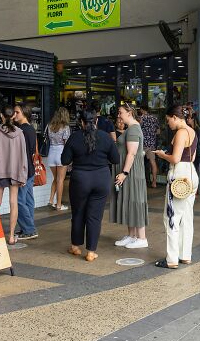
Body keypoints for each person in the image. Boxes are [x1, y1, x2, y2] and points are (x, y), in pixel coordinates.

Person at [61, 109, 120, 262]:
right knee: (95, 216)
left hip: (80, 179)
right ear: (96, 121)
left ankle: (75, 246)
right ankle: (91, 252)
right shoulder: (105, 137)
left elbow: (65, 161)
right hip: (101, 179)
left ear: (81, 122)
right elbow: (115, 159)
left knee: (78, 213)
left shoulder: (74, 138)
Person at [152, 105, 198, 269]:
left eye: (168, 120)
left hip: (179, 174)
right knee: (186, 217)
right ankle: (185, 255)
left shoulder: (180, 133)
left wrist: (162, 155)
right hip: (191, 174)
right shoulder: (192, 131)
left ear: (175, 117)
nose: (168, 124)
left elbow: (176, 158)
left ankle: (171, 258)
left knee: (171, 217)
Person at [0, 105, 28, 245]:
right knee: (13, 203)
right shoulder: (20, 133)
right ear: (13, 116)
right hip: (15, 173)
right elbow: (23, 156)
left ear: (1, 115)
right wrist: (23, 174)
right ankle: (12, 236)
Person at [111, 103, 149, 249]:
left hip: (131, 172)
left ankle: (142, 238)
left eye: (120, 112)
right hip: (129, 171)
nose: (119, 115)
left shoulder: (133, 129)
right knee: (129, 200)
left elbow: (132, 153)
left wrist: (124, 173)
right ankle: (132, 236)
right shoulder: (131, 128)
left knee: (135, 200)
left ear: (129, 112)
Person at [13, 103, 38, 240]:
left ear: (24, 113)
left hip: (23, 170)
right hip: (29, 169)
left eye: (17, 112)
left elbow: (21, 154)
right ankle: (28, 227)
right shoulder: (30, 129)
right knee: (28, 200)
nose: (14, 114)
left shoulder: (21, 130)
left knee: (18, 200)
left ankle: (29, 229)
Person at [46, 107, 71, 211]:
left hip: (51, 154)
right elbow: (66, 144)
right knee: (60, 180)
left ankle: (51, 200)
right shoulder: (65, 127)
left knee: (56, 179)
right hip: (61, 154)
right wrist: (69, 160)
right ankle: (59, 204)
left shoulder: (49, 126)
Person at [139, 106, 160, 188]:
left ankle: (141, 182)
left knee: (139, 162)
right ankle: (154, 182)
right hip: (151, 144)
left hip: (143, 144)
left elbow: (138, 129)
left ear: (142, 110)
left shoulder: (142, 118)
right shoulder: (155, 118)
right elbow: (158, 131)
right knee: (153, 162)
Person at [187, 109, 200, 181]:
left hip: (196, 153)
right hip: (197, 153)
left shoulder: (197, 130)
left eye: (188, 118)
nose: (187, 119)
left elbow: (196, 143)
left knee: (194, 170)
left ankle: (195, 187)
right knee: (194, 169)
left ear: (193, 119)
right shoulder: (194, 129)